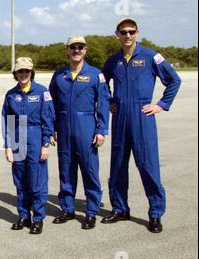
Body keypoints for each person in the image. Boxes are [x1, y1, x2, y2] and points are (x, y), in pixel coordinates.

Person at [102, 19, 181, 233]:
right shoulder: (113, 61)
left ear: (137, 33)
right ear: (116, 34)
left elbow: (174, 80)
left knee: (148, 166)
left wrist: (162, 105)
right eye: (123, 32)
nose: (127, 36)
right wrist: (109, 101)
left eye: (131, 32)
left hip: (142, 117)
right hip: (120, 120)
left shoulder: (150, 56)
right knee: (118, 166)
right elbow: (102, 83)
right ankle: (120, 208)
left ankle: (155, 213)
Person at [49, 36, 110, 230]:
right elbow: (51, 105)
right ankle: (67, 208)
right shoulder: (59, 76)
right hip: (64, 128)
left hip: (86, 128)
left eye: (80, 47)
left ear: (85, 50)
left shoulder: (95, 74)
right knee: (66, 170)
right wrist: (51, 129)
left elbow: (103, 103)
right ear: (67, 50)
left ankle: (91, 211)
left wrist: (101, 129)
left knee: (90, 170)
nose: (76, 50)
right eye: (73, 47)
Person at [2, 57, 55, 235]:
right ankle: (24, 216)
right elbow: (7, 121)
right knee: (20, 180)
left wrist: (45, 144)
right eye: (20, 71)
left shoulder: (42, 92)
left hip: (35, 137)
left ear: (31, 72)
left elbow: (48, 119)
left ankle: (38, 218)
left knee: (37, 180)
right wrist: (8, 146)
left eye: (26, 71)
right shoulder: (11, 95)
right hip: (17, 138)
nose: (23, 74)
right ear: (15, 73)